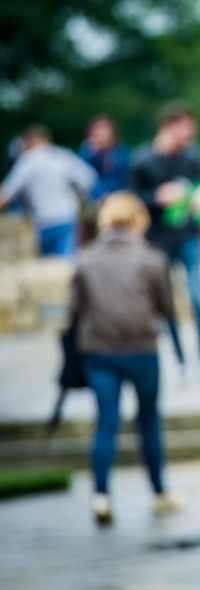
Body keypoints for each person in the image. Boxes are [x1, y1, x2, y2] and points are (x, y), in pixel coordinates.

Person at [69, 191, 183, 525]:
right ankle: (160, 492)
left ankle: (101, 495)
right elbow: (166, 308)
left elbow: (74, 311)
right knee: (148, 420)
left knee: (106, 422)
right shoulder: (152, 259)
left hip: (99, 352)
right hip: (142, 350)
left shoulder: (86, 259)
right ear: (137, 221)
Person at [129, 101, 200, 375]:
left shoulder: (192, 157)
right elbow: (133, 201)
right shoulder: (142, 161)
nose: (191, 135)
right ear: (170, 126)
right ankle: (181, 361)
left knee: (198, 298)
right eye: (186, 129)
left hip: (189, 238)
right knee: (166, 304)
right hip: (157, 242)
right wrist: (158, 196)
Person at [0, 123, 97, 257]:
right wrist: (78, 198)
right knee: (66, 266)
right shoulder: (62, 155)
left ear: (31, 141)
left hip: (43, 219)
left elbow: (6, 193)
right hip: (67, 216)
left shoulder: (28, 160)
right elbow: (88, 178)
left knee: (46, 266)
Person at [79, 114, 131, 204]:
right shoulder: (87, 151)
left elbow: (124, 172)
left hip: (119, 195)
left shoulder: (120, 149)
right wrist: (93, 155)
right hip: (96, 198)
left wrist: (108, 151)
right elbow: (87, 176)